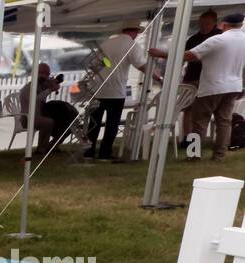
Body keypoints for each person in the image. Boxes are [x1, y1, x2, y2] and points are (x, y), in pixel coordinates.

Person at [86, 21, 166, 161]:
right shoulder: (132, 46)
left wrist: (108, 66)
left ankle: (89, 152)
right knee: (112, 123)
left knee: (94, 122)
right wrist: (158, 78)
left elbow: (93, 65)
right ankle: (104, 154)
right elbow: (142, 66)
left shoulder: (107, 43)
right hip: (116, 90)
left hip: (98, 88)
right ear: (134, 32)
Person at [185, 11, 245, 161]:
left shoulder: (217, 39)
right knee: (224, 122)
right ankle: (219, 154)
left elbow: (190, 55)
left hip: (212, 86)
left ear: (223, 25)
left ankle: (193, 154)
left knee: (199, 122)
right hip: (234, 86)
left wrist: (163, 54)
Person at [181, 10, 220, 142]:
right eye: (201, 24)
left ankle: (198, 139)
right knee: (188, 109)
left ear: (215, 23)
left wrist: (197, 58)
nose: (203, 27)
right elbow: (184, 56)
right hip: (191, 78)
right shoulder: (193, 39)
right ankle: (187, 138)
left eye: (207, 24)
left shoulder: (219, 38)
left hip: (209, 79)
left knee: (203, 111)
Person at [18, 62, 66, 157]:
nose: (45, 75)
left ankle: (52, 146)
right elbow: (36, 99)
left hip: (39, 115)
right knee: (49, 122)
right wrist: (50, 89)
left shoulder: (41, 85)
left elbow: (48, 86)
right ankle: (41, 149)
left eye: (47, 73)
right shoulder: (29, 87)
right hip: (28, 118)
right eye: (42, 72)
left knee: (64, 123)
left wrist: (54, 83)